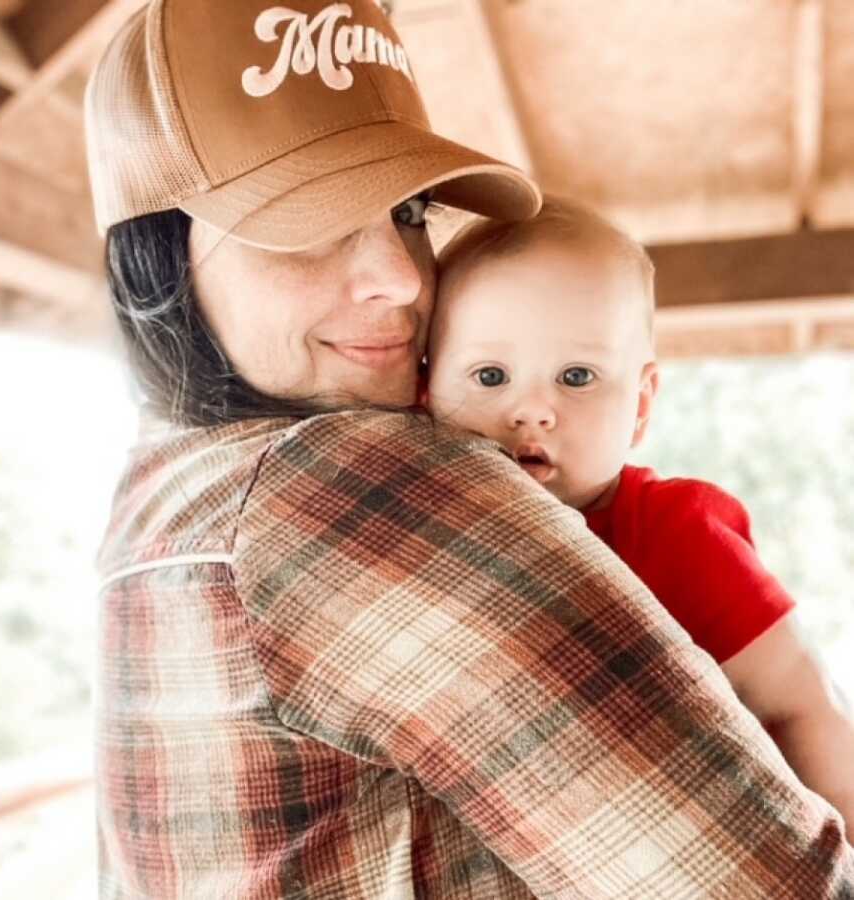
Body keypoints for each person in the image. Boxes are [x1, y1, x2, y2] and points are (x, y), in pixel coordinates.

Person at [88, 1, 854, 897]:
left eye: (409, 212)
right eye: (306, 219)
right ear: (158, 258)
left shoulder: (154, 504)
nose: (405, 276)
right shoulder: (359, 488)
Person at [424, 195, 854, 840]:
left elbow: (798, 701)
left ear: (641, 406)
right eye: (490, 375)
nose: (533, 408)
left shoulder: (675, 533)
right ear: (424, 395)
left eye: (576, 375)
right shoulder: (423, 535)